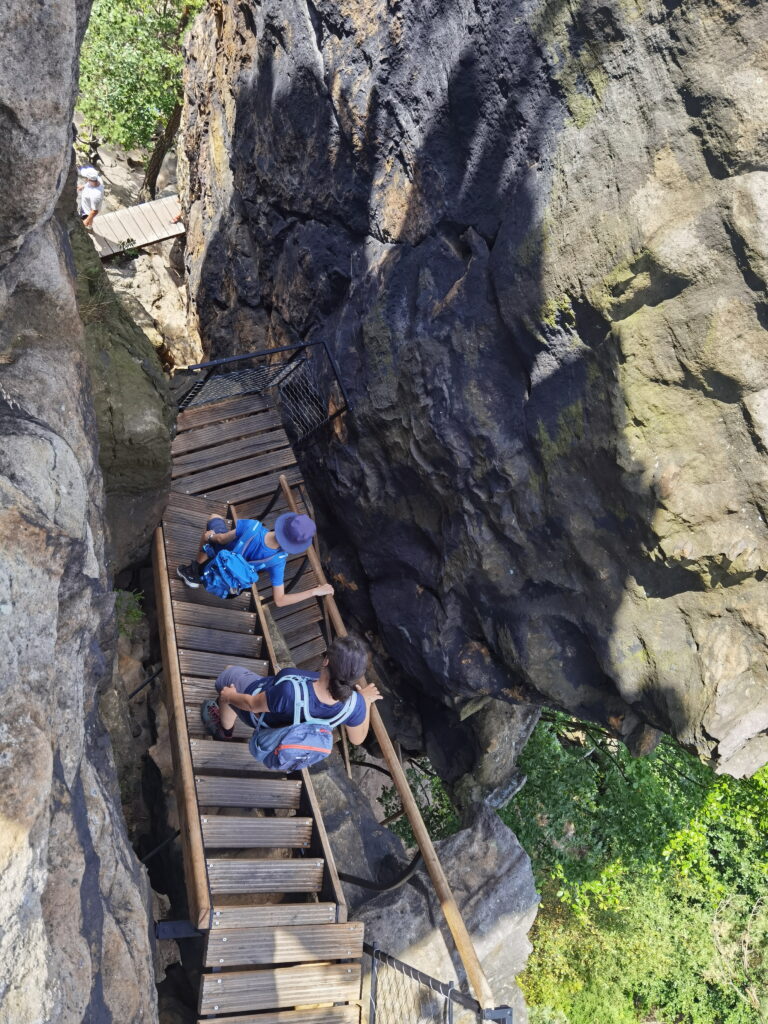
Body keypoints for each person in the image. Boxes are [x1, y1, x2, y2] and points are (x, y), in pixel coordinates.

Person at [201, 635, 382, 745]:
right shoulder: (354, 705)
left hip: (261, 717)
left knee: (228, 676)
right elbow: (356, 740)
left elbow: (251, 705)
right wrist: (364, 702)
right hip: (286, 731)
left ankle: (225, 731)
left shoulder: (290, 691)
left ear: (326, 660)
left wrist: (231, 696)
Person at [176, 511, 334, 607]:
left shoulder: (252, 527)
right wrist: (315, 591)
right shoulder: (278, 561)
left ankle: (194, 573)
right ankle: (201, 575)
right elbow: (279, 600)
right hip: (231, 589)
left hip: (214, 565)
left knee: (213, 521)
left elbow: (221, 539)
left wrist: (211, 536)